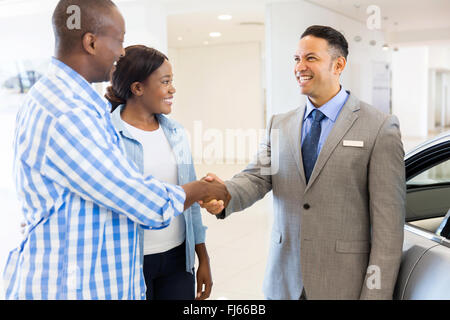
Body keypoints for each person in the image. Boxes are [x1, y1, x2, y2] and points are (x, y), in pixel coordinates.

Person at [4, 0, 228, 300]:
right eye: (119, 40)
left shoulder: (77, 103)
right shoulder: (66, 110)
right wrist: (200, 190)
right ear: (91, 42)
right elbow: (139, 199)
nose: (121, 52)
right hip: (70, 287)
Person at [200, 25, 406, 300]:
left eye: (311, 58)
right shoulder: (280, 123)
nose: (300, 67)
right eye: (296, 59)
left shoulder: (379, 127)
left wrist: (375, 294)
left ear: (338, 64)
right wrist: (225, 194)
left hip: (343, 284)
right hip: (285, 280)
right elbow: (258, 176)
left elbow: (388, 227)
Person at [105, 45, 212, 300]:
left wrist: (202, 256)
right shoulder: (106, 136)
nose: (172, 89)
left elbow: (190, 201)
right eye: (165, 82)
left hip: (177, 259)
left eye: (171, 81)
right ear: (137, 88)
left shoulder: (175, 133)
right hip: (128, 264)